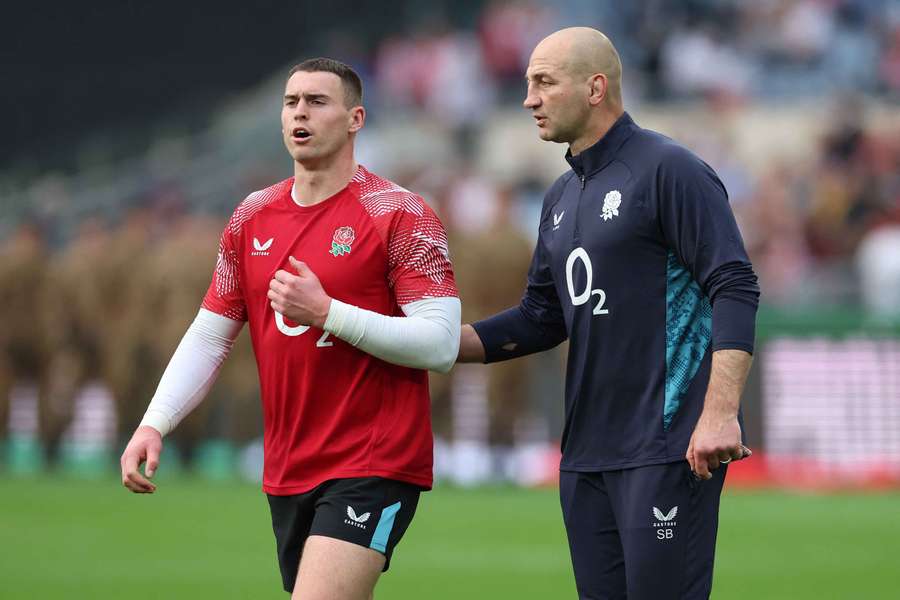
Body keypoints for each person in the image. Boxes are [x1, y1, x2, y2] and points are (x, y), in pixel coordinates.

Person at [119, 57, 460, 600]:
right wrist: (154, 422)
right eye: (290, 102)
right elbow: (211, 334)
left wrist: (328, 313)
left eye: (317, 101)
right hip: (289, 463)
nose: (300, 112)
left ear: (355, 119)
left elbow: (440, 344)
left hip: (373, 460)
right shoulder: (251, 216)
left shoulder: (400, 213)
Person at [456, 28, 760, 599]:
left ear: (595, 87)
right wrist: (437, 344)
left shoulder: (671, 170)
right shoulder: (559, 198)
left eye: (544, 82)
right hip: (587, 456)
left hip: (669, 446)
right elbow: (540, 317)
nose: (529, 99)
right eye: (527, 84)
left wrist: (719, 414)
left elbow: (735, 285)